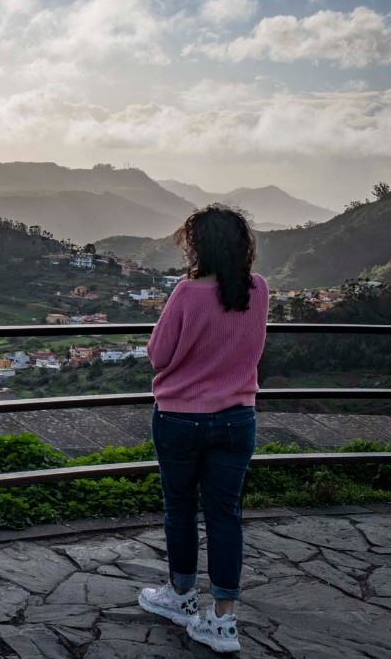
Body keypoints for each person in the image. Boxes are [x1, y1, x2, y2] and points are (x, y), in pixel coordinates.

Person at [137, 205, 269, 655]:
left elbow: (158, 355)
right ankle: (223, 621)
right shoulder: (258, 290)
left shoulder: (187, 293)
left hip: (179, 419)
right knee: (225, 514)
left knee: (180, 507)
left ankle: (179, 595)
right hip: (237, 419)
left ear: (198, 245)